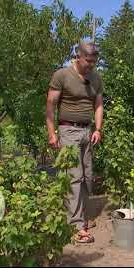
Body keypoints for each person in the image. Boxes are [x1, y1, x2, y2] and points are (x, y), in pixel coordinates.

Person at [46, 41, 103, 244]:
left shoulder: (95, 78)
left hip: (87, 131)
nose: (91, 65)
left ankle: (83, 216)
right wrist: (52, 133)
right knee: (73, 177)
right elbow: (51, 105)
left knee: (87, 176)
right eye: (88, 61)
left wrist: (98, 129)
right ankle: (76, 226)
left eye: (94, 62)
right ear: (78, 56)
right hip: (67, 130)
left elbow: (98, 104)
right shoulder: (62, 75)